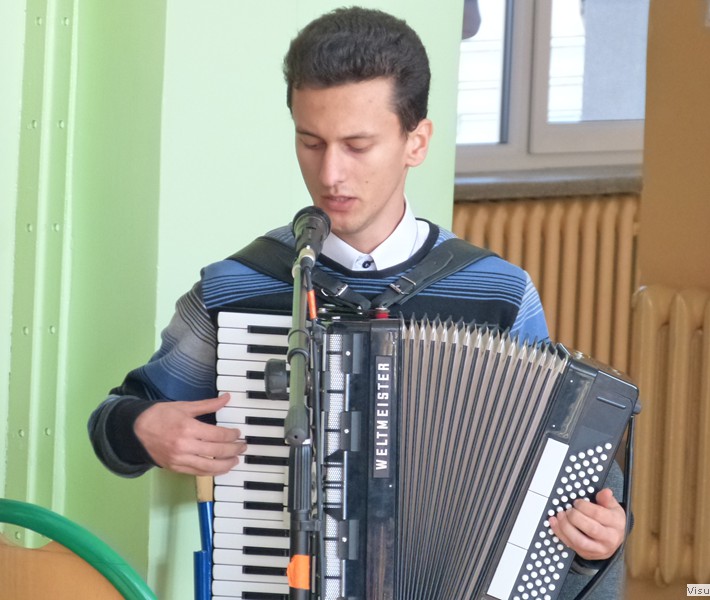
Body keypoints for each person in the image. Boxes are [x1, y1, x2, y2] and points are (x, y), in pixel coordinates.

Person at [88, 7, 627, 598]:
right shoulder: (239, 286)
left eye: (357, 145)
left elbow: (551, 484)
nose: (330, 173)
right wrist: (143, 427)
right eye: (311, 142)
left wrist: (594, 541)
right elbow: (117, 417)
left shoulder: (497, 293)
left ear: (416, 142)